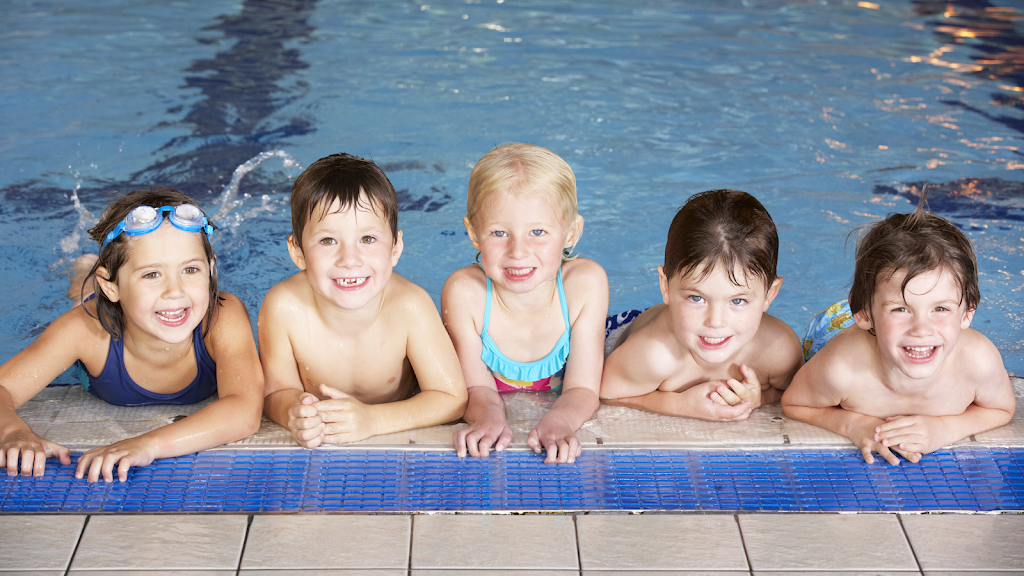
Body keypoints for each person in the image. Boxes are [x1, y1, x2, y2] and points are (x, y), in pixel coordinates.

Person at [0, 188, 263, 482]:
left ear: (211, 271)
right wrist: (12, 431)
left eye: (190, 269)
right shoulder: (84, 330)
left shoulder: (221, 316)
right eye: (152, 274)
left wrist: (148, 444)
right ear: (111, 286)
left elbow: (244, 411)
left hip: (125, 304)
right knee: (83, 301)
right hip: (103, 313)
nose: (175, 291)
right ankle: (85, 274)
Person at [260, 153, 467, 447]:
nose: (349, 260)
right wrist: (293, 411)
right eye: (327, 240)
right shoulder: (283, 307)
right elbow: (275, 392)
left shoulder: (410, 307)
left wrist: (372, 420)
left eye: (367, 239)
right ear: (297, 252)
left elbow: (451, 398)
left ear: (395, 247)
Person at [782, 205, 1015, 465]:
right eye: (902, 309)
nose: (922, 329)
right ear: (863, 313)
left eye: (941, 308)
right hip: (833, 326)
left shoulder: (978, 362)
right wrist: (854, 424)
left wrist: (946, 429)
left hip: (882, 321)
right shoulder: (840, 369)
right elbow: (795, 403)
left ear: (967, 312)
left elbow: (1001, 409)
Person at [442, 143, 609, 463]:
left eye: (538, 231)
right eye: (499, 233)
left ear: (571, 232)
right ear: (473, 234)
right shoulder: (465, 293)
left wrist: (561, 420)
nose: (518, 251)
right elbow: (476, 388)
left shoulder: (584, 286)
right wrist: (487, 416)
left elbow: (584, 390)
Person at [600, 190, 803, 421]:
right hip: (627, 330)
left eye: (737, 300)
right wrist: (678, 404)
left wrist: (758, 400)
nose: (715, 322)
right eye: (696, 298)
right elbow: (606, 392)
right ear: (665, 286)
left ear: (770, 294)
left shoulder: (778, 352)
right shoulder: (653, 355)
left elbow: (796, 395)